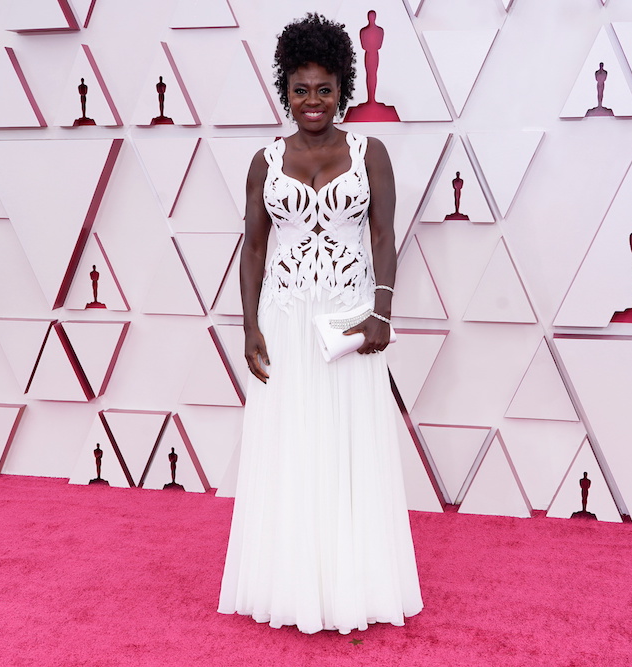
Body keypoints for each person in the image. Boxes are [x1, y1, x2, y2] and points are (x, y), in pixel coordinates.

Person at [218, 13, 421, 635]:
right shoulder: (264, 161)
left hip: (350, 319)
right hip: (284, 318)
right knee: (292, 447)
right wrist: (249, 326)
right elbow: (252, 248)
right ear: (286, 90)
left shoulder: (370, 153)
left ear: (344, 90)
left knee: (350, 450)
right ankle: (291, 585)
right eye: (301, 89)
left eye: (325, 88)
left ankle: (353, 587)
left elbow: (384, 235)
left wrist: (382, 310)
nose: (313, 101)